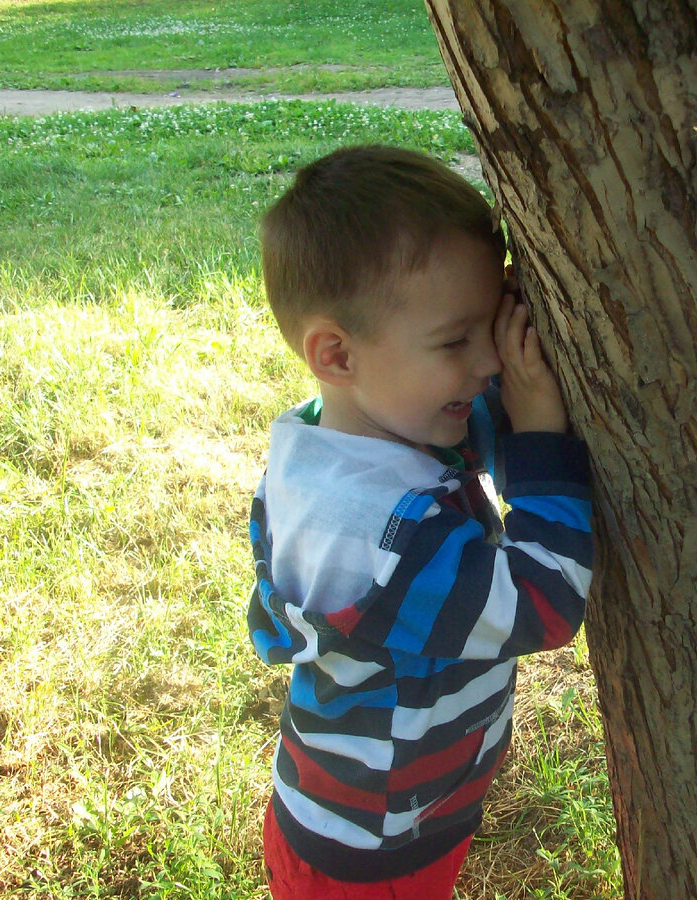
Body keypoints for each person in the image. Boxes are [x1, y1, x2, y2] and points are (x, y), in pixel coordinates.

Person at [246, 145, 593, 899]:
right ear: (337, 354)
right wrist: (541, 444)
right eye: (456, 341)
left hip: (365, 821)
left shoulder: (337, 438)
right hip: (372, 859)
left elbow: (456, 440)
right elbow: (545, 602)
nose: (489, 365)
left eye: (491, 329)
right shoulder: (382, 538)